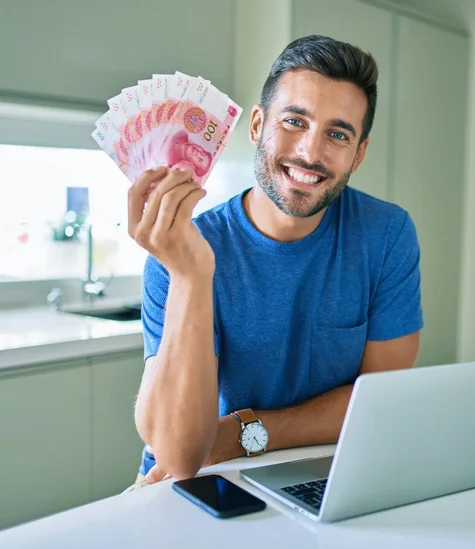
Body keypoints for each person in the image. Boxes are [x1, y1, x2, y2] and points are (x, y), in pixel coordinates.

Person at [126, 34, 424, 490]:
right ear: (257, 125)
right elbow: (181, 456)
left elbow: (383, 403)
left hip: (319, 474)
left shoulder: (387, 235)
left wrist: (244, 432)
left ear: (358, 154)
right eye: (294, 121)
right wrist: (190, 277)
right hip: (204, 484)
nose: (310, 152)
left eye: (338, 134)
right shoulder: (185, 248)